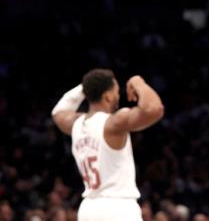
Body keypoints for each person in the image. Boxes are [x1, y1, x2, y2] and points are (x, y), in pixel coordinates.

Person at [51, 68, 164, 221]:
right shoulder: (112, 123)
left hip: (88, 209)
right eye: (116, 91)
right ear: (107, 96)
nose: (118, 95)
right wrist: (139, 83)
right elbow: (154, 109)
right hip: (118, 207)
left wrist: (85, 87)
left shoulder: (75, 123)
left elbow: (58, 111)